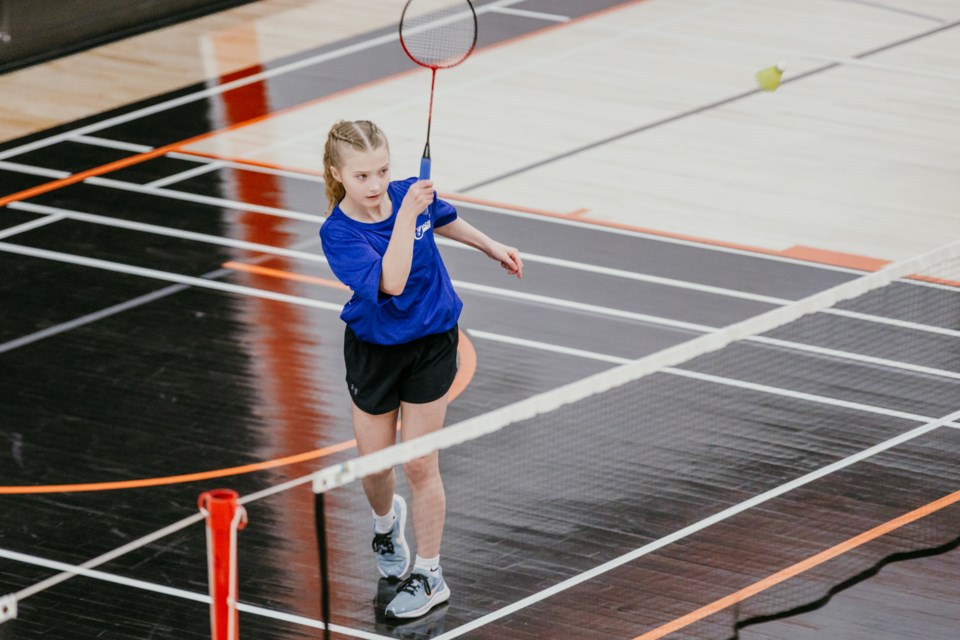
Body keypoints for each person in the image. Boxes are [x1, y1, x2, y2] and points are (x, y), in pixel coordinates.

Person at [319, 120, 523, 619]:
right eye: (363, 175)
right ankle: (386, 524)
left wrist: (490, 246)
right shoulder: (339, 233)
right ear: (336, 174)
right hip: (375, 350)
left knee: (419, 462)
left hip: (432, 342)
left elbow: (443, 217)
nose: (376, 184)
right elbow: (391, 280)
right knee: (376, 467)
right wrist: (408, 216)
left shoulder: (409, 193)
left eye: (383, 171)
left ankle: (430, 574)